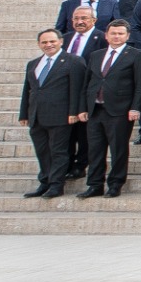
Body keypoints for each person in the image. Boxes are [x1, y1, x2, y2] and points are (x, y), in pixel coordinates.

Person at [18, 29, 91, 199]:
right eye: (44, 42)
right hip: (37, 116)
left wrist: (74, 111)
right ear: (39, 44)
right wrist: (24, 113)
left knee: (58, 152)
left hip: (61, 115)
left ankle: (56, 185)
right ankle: (44, 182)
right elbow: (27, 90)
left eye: (52, 41)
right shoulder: (33, 64)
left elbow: (78, 89)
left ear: (61, 42)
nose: (48, 45)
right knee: (42, 151)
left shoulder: (74, 61)